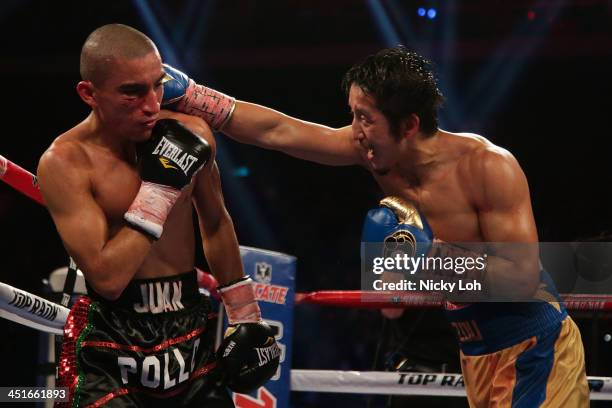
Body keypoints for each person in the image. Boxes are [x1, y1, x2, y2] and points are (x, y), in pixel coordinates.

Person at [162, 47, 589, 406]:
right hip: (476, 351)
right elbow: (280, 131)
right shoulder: (372, 151)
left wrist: (433, 260)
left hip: (535, 344)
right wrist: (196, 97)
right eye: (353, 116)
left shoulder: (488, 166)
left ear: (409, 125)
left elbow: (521, 273)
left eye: (365, 118)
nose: (355, 132)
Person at [38, 24, 278, 407]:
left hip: (191, 331)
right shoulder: (66, 163)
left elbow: (215, 222)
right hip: (110, 343)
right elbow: (108, 278)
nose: (151, 105)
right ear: (89, 94)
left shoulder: (191, 132)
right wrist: (160, 189)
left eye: (158, 85)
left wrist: (246, 315)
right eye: (132, 92)